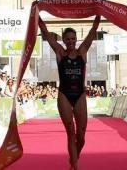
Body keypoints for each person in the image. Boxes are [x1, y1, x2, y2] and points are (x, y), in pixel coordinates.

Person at [38, 15, 100, 170]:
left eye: (73, 39)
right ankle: (75, 166)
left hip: (79, 95)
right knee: (70, 131)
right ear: (64, 41)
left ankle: (74, 158)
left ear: (76, 39)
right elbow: (46, 35)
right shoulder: (60, 53)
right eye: (68, 39)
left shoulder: (82, 52)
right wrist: (38, 18)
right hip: (64, 94)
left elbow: (92, 33)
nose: (71, 42)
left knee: (82, 134)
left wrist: (97, 18)